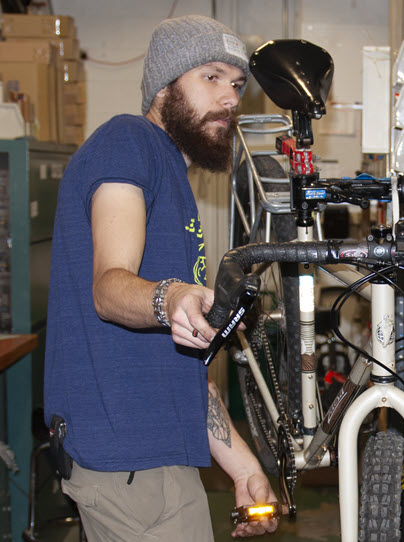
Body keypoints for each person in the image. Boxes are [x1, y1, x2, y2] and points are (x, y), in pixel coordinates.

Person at [43, 14, 278, 540]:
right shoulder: (128, 141)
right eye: (211, 77)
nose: (230, 98)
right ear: (164, 84)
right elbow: (109, 286)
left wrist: (243, 467)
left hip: (159, 456)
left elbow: (181, 368)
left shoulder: (172, 177)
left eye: (237, 85)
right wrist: (170, 296)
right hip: (128, 460)